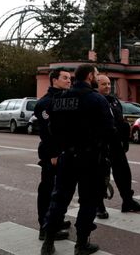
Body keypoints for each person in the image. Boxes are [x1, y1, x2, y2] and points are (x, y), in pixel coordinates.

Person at [41, 64, 117, 255]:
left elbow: (52, 130)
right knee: (89, 201)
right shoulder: (97, 99)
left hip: (66, 156)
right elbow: (109, 130)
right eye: (96, 75)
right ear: (90, 76)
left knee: (59, 199)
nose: (96, 78)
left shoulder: (59, 99)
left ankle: (48, 241)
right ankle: (81, 244)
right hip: (90, 158)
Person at [95, 74, 140, 219]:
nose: (107, 87)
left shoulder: (114, 101)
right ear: (96, 85)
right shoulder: (95, 101)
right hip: (102, 145)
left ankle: (128, 201)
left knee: (124, 173)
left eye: (109, 84)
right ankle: (99, 206)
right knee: (101, 176)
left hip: (116, 144)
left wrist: (124, 139)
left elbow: (120, 120)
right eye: (103, 84)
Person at [35, 69, 72, 241]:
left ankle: (56, 220)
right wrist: (53, 154)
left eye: (70, 78)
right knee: (48, 189)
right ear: (54, 80)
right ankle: (45, 227)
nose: (69, 81)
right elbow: (46, 131)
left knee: (61, 190)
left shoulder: (66, 99)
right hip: (52, 154)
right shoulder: (46, 102)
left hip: (65, 151)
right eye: (65, 78)